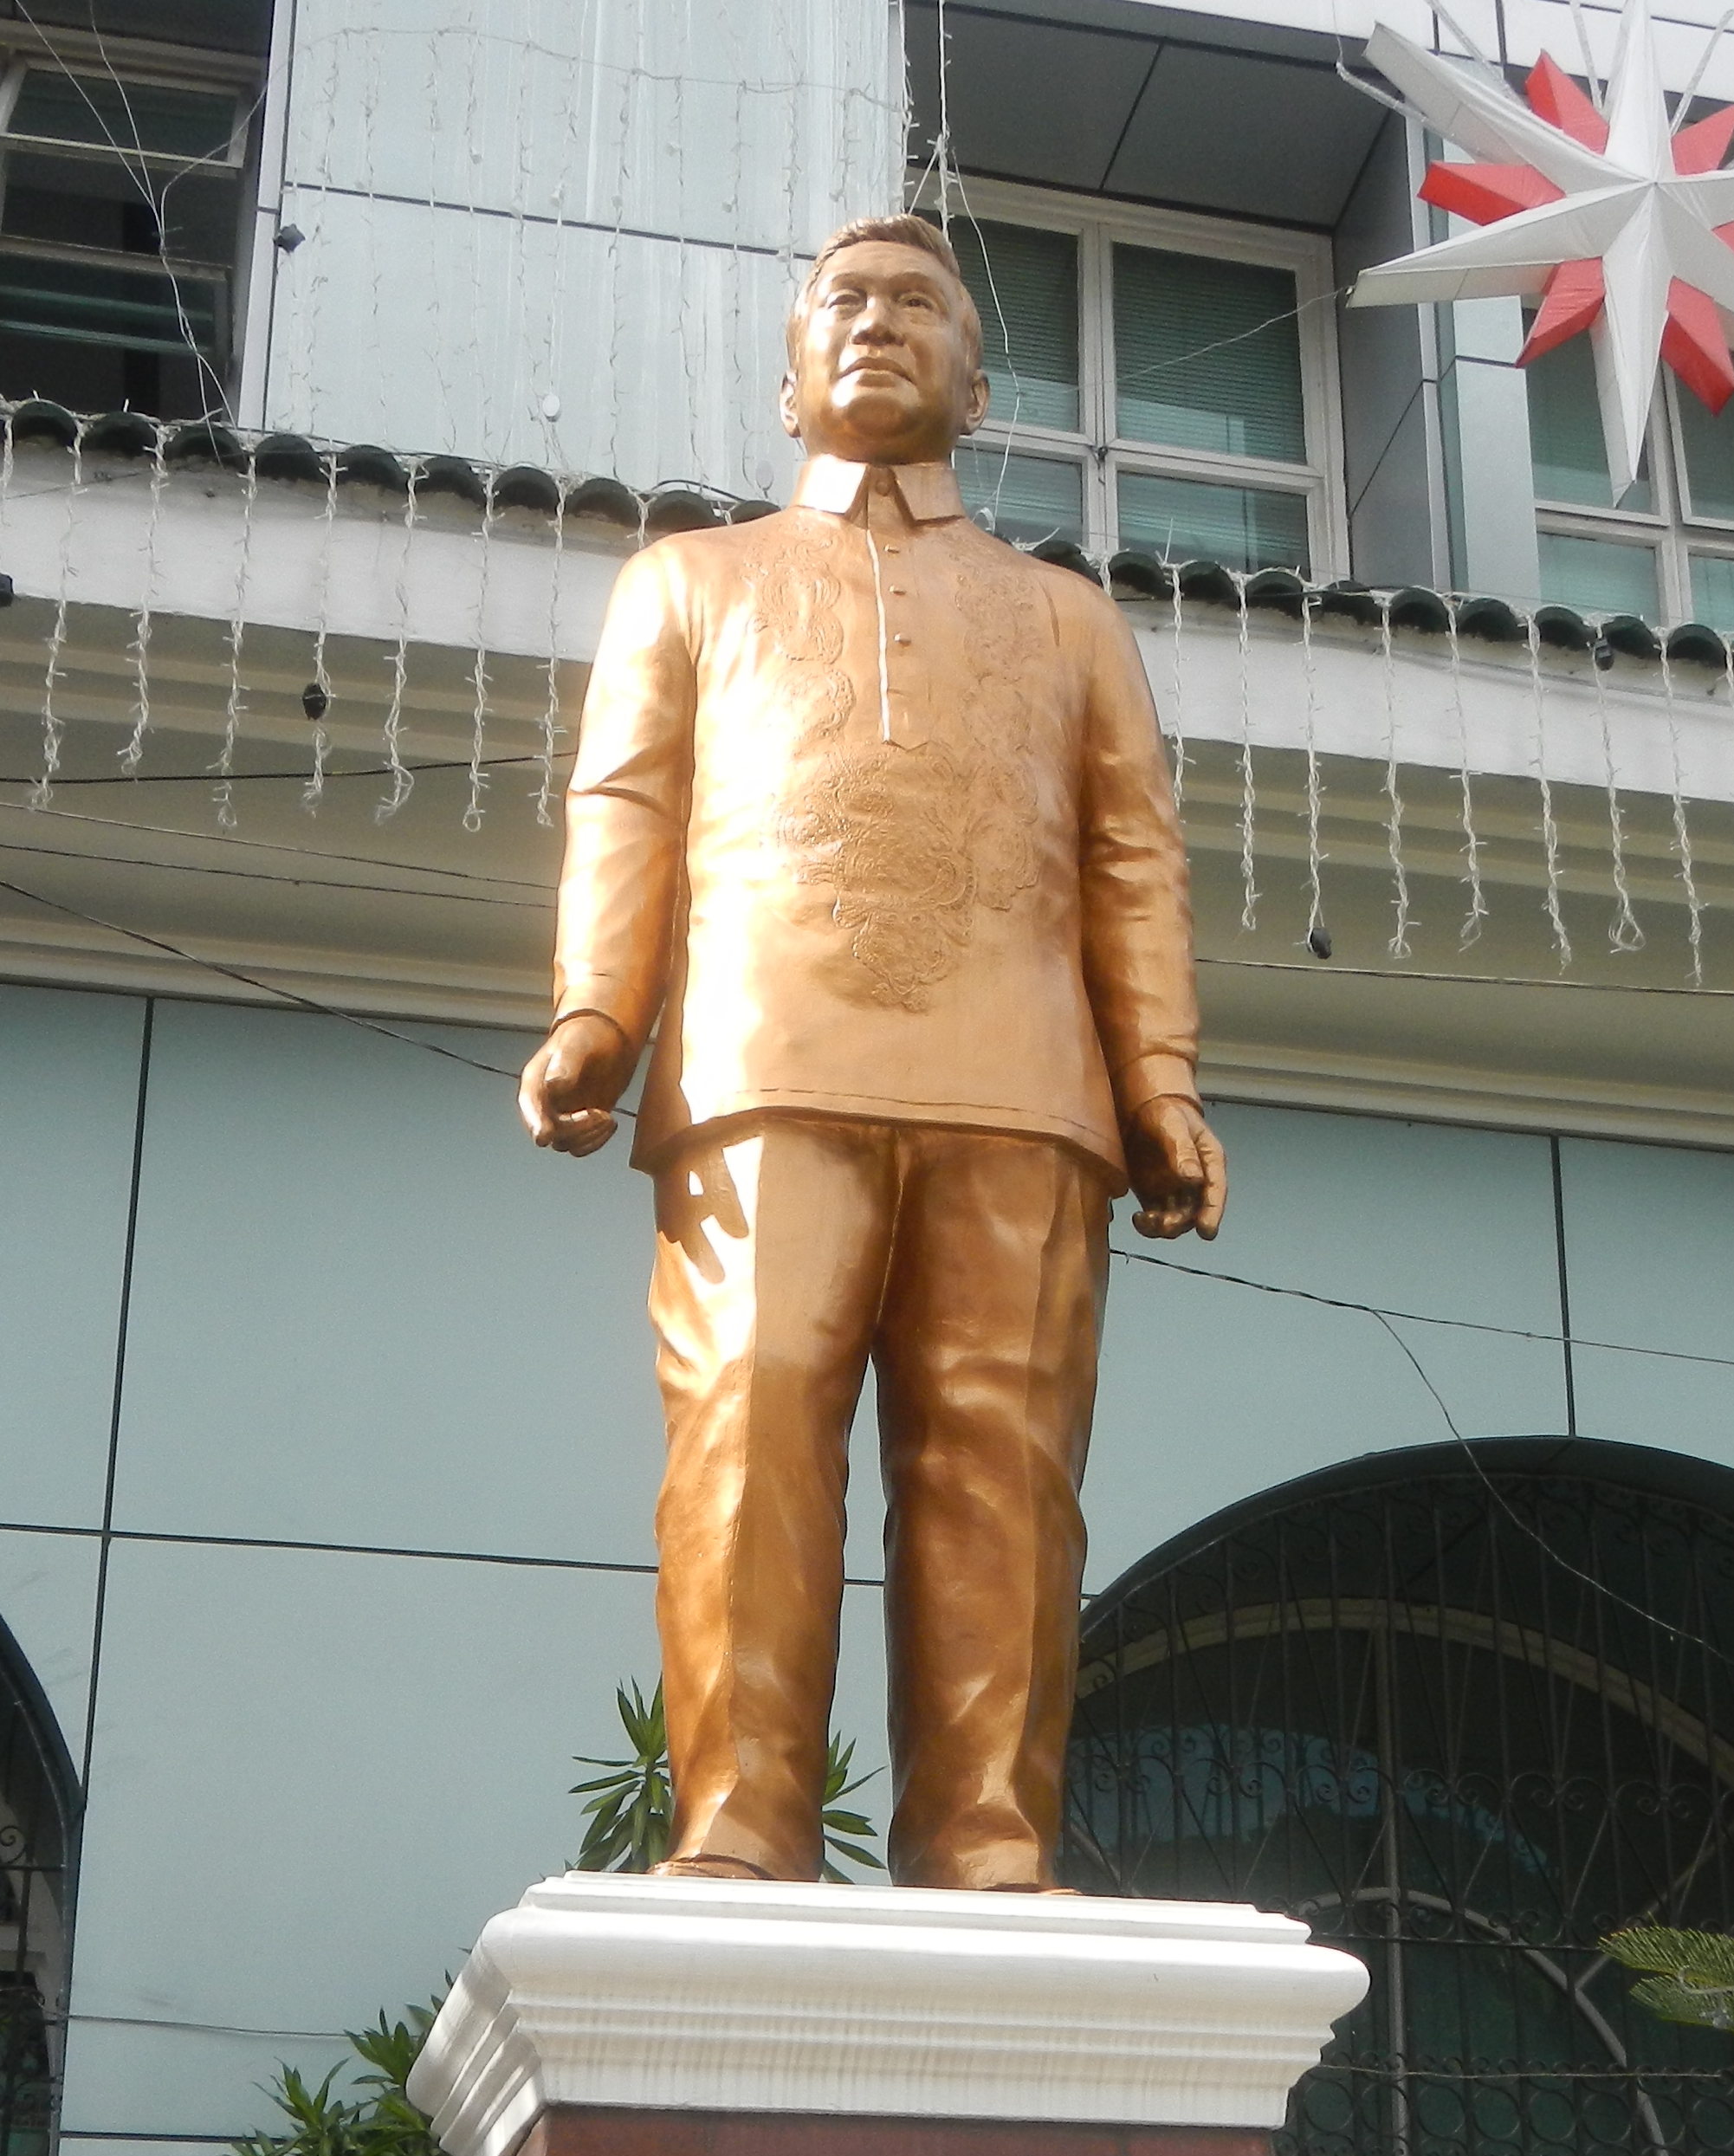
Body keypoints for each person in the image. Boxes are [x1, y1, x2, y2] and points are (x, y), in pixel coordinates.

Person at [518, 210, 1228, 1891]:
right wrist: (597, 1010)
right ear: (788, 381)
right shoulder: (691, 583)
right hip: (763, 1064)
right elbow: (627, 804)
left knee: (1002, 1461)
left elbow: (1134, 858)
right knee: (751, 1427)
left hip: (1029, 1086)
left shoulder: (1068, 622)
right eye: (842, 303)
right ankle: (742, 1827)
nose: (877, 322)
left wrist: (1166, 1084)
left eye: (919, 304)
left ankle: (988, 1839)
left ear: (978, 386)